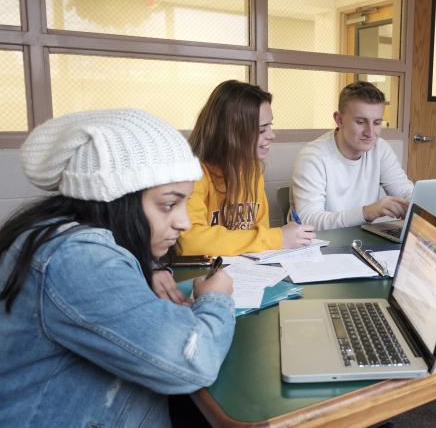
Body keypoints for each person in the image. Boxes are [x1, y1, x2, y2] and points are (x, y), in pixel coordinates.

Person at [0, 109, 235, 427]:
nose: (183, 222)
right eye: (168, 204)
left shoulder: (61, 234)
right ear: (116, 200)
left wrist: (144, 268)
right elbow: (194, 361)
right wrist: (216, 299)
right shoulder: (79, 259)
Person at [178, 80, 315, 256]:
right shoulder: (192, 173)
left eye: (270, 125)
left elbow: (259, 232)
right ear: (231, 132)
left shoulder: (251, 169)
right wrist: (277, 238)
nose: (272, 135)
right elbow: (190, 241)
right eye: (261, 130)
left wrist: (273, 239)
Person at [291, 81, 414, 231]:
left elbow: (405, 193)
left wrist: (418, 204)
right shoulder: (312, 157)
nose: (370, 133)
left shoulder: (380, 149)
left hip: (363, 239)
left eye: (376, 123)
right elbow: (309, 221)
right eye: (361, 122)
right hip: (323, 244)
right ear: (339, 120)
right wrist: (366, 212)